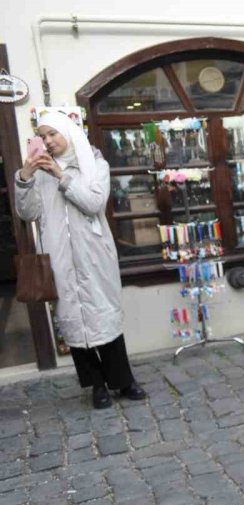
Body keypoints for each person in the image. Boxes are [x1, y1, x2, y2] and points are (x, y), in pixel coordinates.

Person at [15, 112, 146, 409]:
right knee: (73, 322)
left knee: (104, 316)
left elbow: (94, 203)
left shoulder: (95, 164)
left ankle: (123, 380)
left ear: (69, 133)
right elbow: (27, 213)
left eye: (53, 134)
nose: (48, 141)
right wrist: (25, 177)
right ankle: (96, 385)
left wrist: (61, 176)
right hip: (59, 258)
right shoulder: (36, 173)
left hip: (94, 255)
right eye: (43, 135)